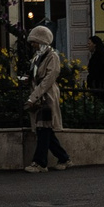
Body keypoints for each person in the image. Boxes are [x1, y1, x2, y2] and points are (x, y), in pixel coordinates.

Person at [23, 24, 70, 172]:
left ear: (42, 41)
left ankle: (40, 162)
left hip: (47, 97)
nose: (32, 44)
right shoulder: (37, 57)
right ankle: (63, 158)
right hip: (40, 96)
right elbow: (36, 77)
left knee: (44, 128)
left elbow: (48, 79)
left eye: (34, 41)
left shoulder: (52, 57)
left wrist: (33, 97)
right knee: (45, 130)